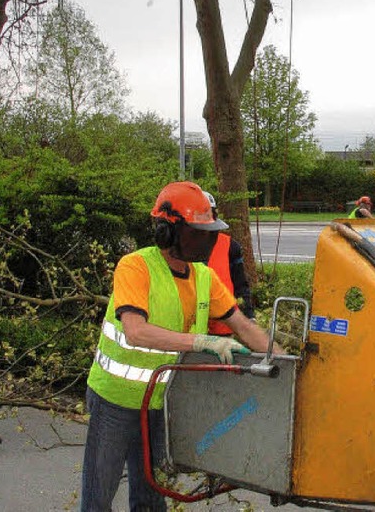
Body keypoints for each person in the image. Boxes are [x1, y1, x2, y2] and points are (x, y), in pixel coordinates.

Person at [80, 181, 282, 512]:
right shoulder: (135, 266)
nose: (204, 241)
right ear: (167, 232)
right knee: (98, 496)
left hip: (161, 402)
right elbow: (136, 331)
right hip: (114, 402)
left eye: (208, 233)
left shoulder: (204, 277)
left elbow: (243, 326)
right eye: (196, 233)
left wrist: (285, 362)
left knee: (150, 493)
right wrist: (202, 341)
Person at [203, 191, 256, 334]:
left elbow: (240, 284)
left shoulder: (229, 246)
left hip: (224, 327)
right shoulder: (180, 249)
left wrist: (249, 316)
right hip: (193, 332)